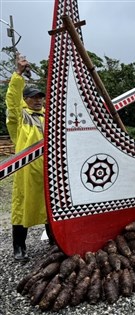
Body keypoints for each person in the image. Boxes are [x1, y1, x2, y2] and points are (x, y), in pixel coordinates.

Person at [6, 56, 52, 261]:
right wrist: (18, 76)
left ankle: (55, 241)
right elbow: (12, 103)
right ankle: (19, 247)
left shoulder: (48, 117)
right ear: (25, 99)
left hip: (49, 171)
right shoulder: (20, 118)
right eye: (33, 97)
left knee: (52, 207)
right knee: (22, 207)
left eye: (40, 97)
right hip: (26, 173)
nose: (38, 100)